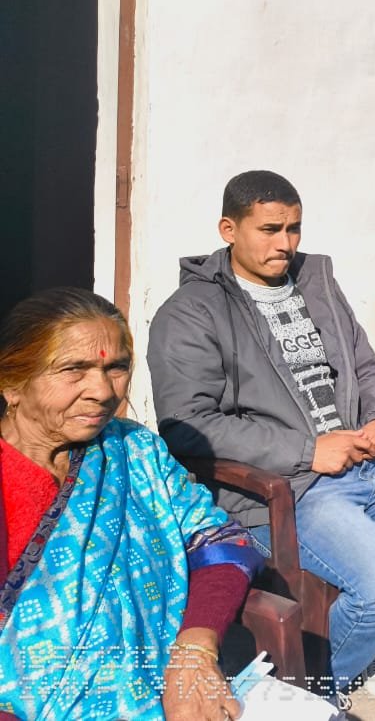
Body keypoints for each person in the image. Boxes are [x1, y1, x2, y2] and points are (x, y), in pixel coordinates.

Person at [148, 171, 375, 702]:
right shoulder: (192, 313)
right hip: (291, 489)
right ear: (229, 228)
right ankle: (321, 690)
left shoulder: (314, 281)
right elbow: (188, 426)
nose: (286, 244)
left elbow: (366, 365)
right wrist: (308, 451)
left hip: (372, 463)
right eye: (270, 229)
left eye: (294, 229)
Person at [0, 287, 263, 721]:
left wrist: (194, 651)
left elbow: (221, 542)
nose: (103, 391)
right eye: (74, 369)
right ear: (12, 382)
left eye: (116, 367)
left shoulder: (133, 450)